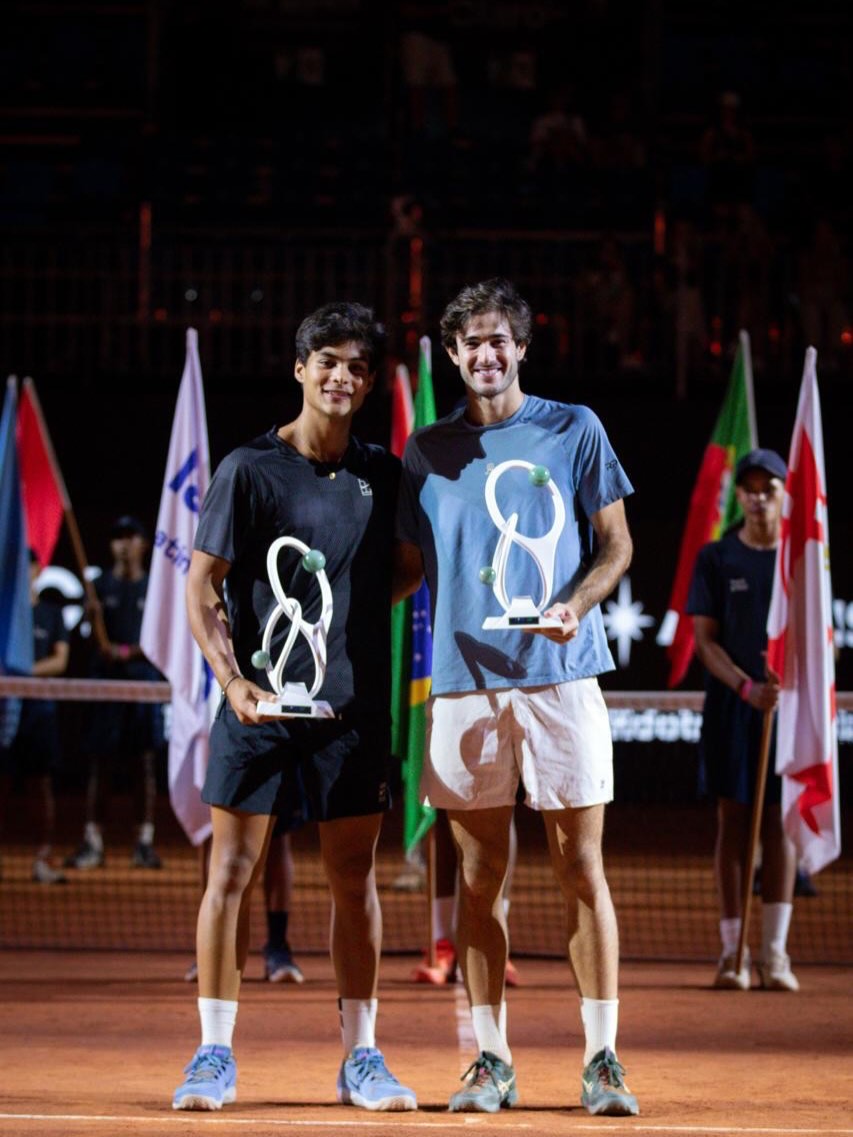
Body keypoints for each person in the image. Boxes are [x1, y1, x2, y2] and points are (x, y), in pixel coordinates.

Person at [394, 278, 639, 1116]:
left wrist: (576, 603)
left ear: (521, 347)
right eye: (470, 342)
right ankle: (490, 1059)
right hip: (464, 687)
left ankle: (602, 1058)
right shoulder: (425, 451)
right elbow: (405, 569)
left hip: (561, 676)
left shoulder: (574, 426)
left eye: (498, 338)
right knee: (478, 877)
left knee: (580, 867)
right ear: (453, 354)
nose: (485, 353)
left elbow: (615, 545)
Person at [173, 301, 416, 1113]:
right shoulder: (248, 468)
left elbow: (405, 568)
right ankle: (213, 1052)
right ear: (301, 368)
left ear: (369, 383)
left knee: (353, 879)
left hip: (350, 714)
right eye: (328, 361)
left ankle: (360, 1057)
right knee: (230, 873)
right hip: (257, 709)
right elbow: (200, 585)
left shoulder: (385, 475)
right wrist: (232, 679)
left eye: (357, 366)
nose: (341, 376)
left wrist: (343, 622)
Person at [687, 447, 800, 992]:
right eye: (749, 489)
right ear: (739, 496)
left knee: (779, 823)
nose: (758, 498)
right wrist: (746, 687)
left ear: (783, 494)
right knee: (732, 822)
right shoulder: (716, 557)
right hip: (734, 706)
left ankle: (775, 956)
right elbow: (705, 642)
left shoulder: (801, 562)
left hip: (787, 709)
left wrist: (784, 686)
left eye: (768, 489)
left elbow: (818, 640)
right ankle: (733, 954)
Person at [65, 516, 165, 870]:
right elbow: (83, 643)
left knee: (144, 766)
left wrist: (125, 652)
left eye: (130, 537)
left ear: (143, 544)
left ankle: (144, 843)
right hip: (105, 687)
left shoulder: (155, 589)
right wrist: (91, 620)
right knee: (100, 765)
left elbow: (161, 640)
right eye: (118, 538)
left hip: (143, 688)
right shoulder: (98, 588)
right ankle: (93, 842)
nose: (123, 544)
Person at [0, 550, 70, 884]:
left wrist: (20, 672)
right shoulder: (4, 613)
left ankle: (43, 857)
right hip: (5, 711)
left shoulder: (50, 614)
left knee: (40, 786)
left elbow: (60, 661)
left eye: (26, 565)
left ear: (37, 570)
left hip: (39, 713)